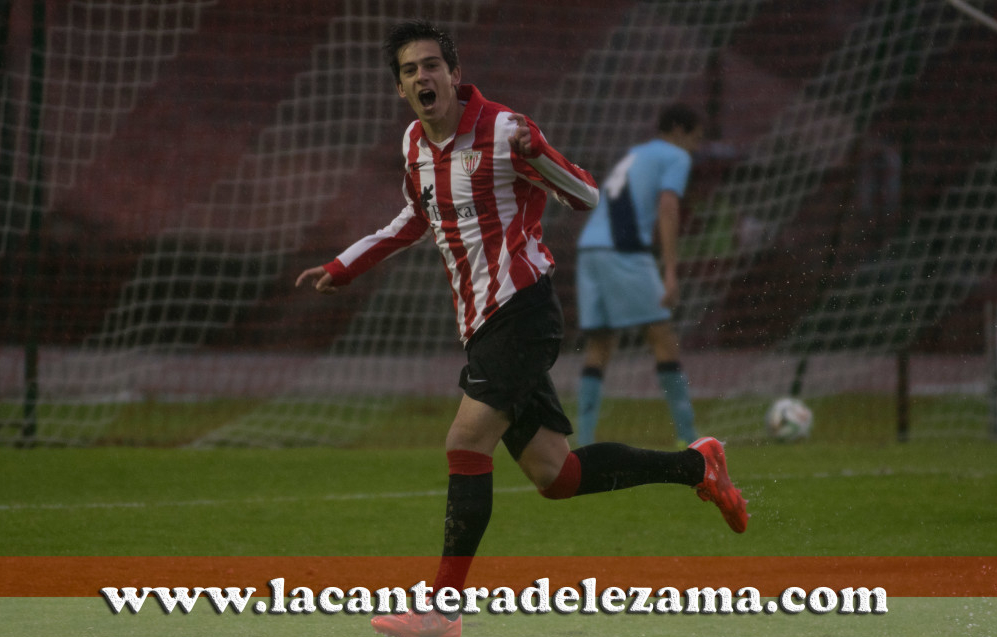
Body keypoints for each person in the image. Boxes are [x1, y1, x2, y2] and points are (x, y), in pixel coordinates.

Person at [296, 22, 748, 637]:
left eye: (433, 66)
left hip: (524, 310)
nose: (423, 77)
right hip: (481, 324)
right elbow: (413, 217)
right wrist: (344, 265)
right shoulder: (414, 143)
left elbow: (586, 194)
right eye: (410, 70)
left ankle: (441, 611)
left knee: (465, 442)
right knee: (555, 476)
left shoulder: (507, 130)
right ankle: (699, 467)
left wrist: (536, 155)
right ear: (401, 88)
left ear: (454, 75)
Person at [575, 104, 704, 449]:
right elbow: (668, 207)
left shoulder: (635, 153)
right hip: (623, 250)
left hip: (589, 249)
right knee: (661, 333)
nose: (696, 145)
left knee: (601, 342)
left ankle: (584, 442)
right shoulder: (676, 156)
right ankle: (689, 437)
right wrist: (672, 272)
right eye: (695, 137)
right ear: (679, 130)